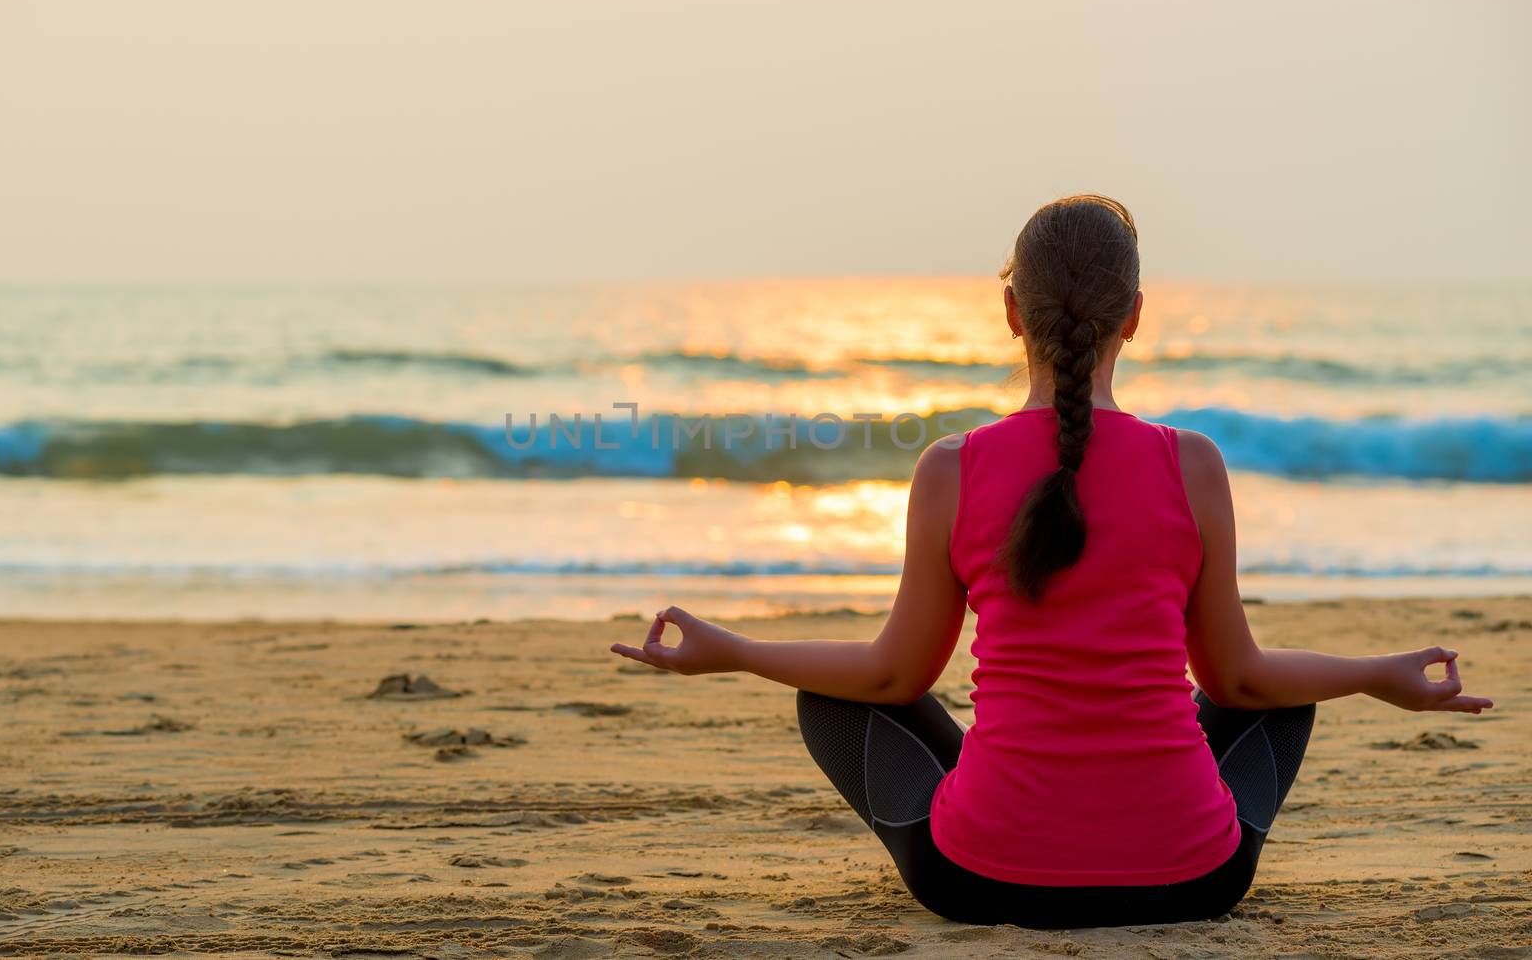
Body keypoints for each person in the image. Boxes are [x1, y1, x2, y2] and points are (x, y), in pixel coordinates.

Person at [610, 194, 1493, 928]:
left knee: (834, 696)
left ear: (1009, 315)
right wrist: (1378, 673)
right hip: (1192, 883)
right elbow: (1240, 681)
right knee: (1284, 692)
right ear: (1136, 319)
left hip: (982, 881)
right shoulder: (1192, 464)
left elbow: (890, 676)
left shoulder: (953, 468)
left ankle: (1008, 809)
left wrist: (737, 652)